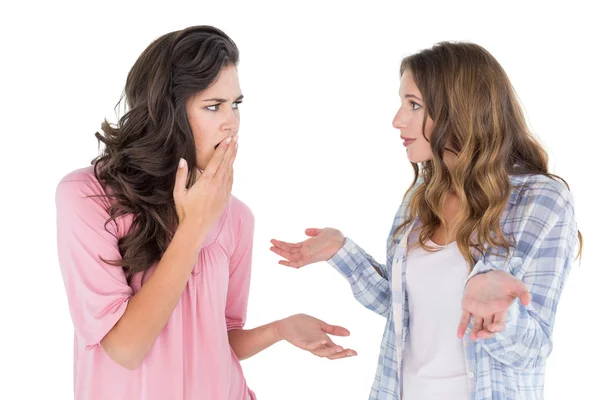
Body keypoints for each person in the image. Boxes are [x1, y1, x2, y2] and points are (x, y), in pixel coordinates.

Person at [55, 25, 355, 400]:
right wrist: (194, 225)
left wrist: (280, 329)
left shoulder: (237, 217)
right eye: (213, 106)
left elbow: (219, 337)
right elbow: (124, 349)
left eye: (236, 104)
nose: (232, 121)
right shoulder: (87, 197)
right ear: (164, 112)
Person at [270, 41, 583, 400]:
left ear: (461, 110)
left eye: (414, 105)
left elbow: (534, 348)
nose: (397, 120)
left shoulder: (540, 200)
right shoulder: (423, 194)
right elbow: (400, 308)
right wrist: (343, 252)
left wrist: (501, 316)